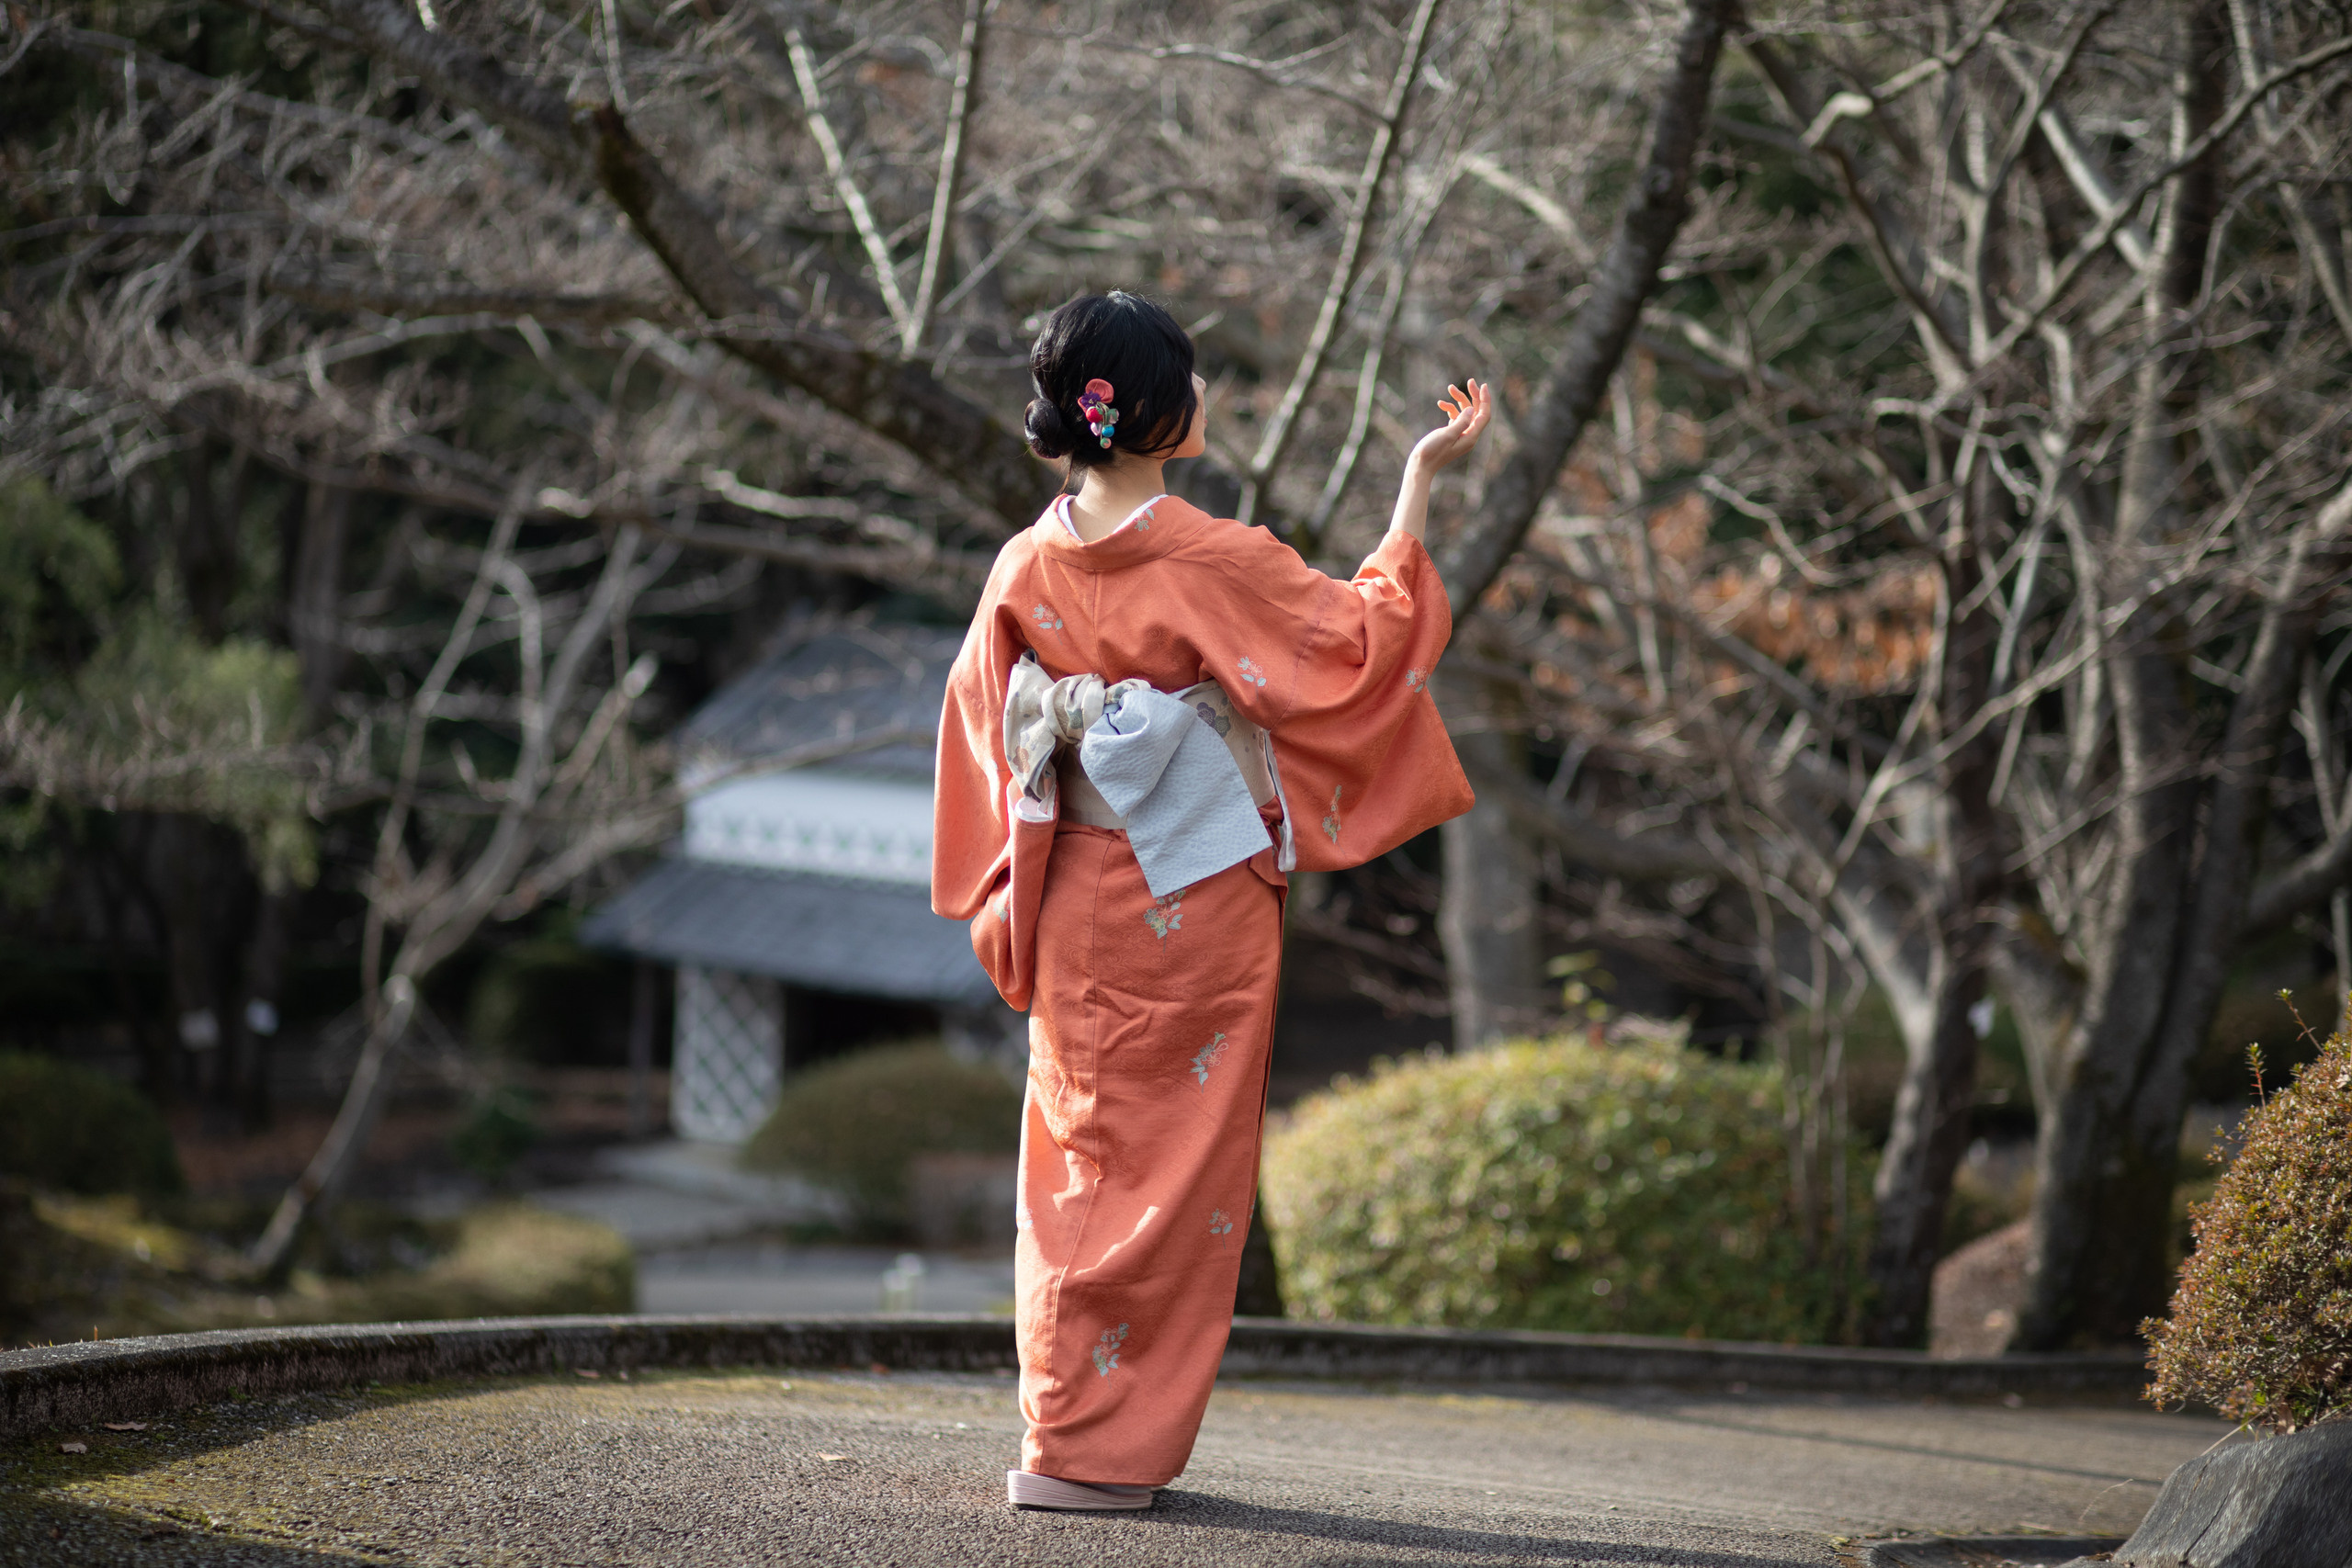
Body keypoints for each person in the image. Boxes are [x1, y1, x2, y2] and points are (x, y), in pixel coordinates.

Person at [931, 290, 1488, 1512]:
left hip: (1072, 885)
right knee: (1179, 1178)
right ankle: (1099, 1455)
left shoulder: (1025, 562)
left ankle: (1059, 1437)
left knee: (1073, 1162)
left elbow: (983, 725)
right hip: (1196, 899)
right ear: (1163, 410)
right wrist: (1419, 481)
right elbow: (1366, 645)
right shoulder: (1213, 556)